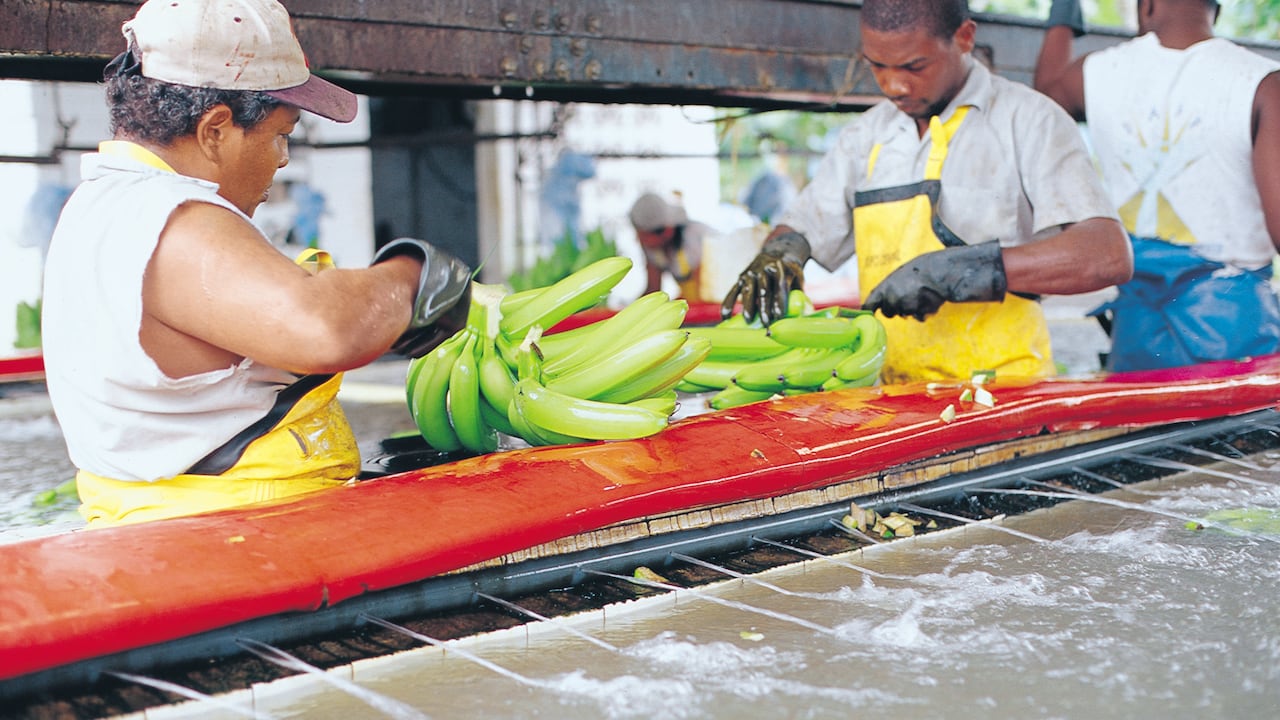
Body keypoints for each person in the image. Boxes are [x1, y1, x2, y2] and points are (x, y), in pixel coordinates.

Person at [42, 0, 471, 527]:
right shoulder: (167, 219)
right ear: (215, 130)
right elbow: (325, 330)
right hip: (236, 540)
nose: (284, 157)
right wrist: (413, 273)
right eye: (280, 134)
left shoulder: (104, 206)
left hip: (185, 529)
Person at [720, 0, 1132, 384]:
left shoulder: (1029, 120)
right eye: (877, 66)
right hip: (888, 397)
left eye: (914, 66)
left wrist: (964, 269)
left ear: (965, 38)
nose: (894, 85)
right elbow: (803, 226)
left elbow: (1108, 254)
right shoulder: (864, 138)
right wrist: (781, 252)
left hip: (1004, 393)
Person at [1034, 0, 1280, 372]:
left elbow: (1046, 92)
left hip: (1138, 330)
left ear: (1146, 6)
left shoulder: (1099, 72)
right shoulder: (1261, 82)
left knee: (1141, 426)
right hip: (1233, 330)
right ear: (1217, 9)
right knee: (1238, 431)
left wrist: (1064, 14)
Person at [628, 192, 711, 299]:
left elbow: (704, 291)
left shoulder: (695, 237)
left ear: (667, 231)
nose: (638, 240)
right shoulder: (653, 249)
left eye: (644, 237)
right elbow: (653, 290)